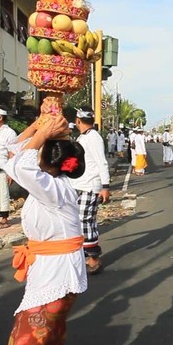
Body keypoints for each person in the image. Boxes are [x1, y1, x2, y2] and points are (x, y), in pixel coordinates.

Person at [4, 112, 87, 345]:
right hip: (51, 268)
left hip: (57, 272)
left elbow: (18, 164)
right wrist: (37, 127)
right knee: (48, 343)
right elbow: (16, 154)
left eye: (38, 148)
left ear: (45, 158)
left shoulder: (52, 189)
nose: (33, 150)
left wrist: (43, 135)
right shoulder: (49, 184)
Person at [70, 107, 110, 274]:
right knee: (78, 223)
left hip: (90, 186)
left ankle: (94, 258)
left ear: (78, 120)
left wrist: (105, 186)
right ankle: (84, 256)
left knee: (86, 222)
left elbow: (102, 162)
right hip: (79, 184)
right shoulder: (83, 137)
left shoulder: (93, 138)